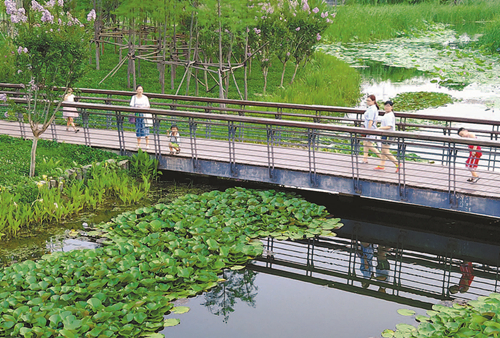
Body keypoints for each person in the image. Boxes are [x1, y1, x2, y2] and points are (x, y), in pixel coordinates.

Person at [375, 101, 400, 173]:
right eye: (385, 106)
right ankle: (382, 165)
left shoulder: (389, 115)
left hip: (388, 134)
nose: (386, 107)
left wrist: (379, 128)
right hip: (385, 134)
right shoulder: (387, 114)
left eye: (388, 106)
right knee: (383, 150)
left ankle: (397, 163)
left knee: (385, 151)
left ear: (391, 107)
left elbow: (389, 126)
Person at [361, 94, 382, 164]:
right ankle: (365, 158)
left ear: (373, 101)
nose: (368, 102)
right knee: (365, 143)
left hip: (370, 128)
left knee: (369, 144)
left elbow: (371, 120)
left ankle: (382, 157)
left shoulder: (372, 109)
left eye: (369, 101)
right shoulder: (371, 108)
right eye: (367, 100)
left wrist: (368, 131)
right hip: (368, 127)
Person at [130, 85, 152, 149]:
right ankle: (139, 144)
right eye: (139, 89)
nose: (140, 91)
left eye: (141, 89)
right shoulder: (134, 97)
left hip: (144, 114)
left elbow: (148, 106)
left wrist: (142, 108)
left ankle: (147, 145)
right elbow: (131, 106)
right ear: (136, 90)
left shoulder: (145, 98)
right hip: (137, 114)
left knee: (146, 129)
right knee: (138, 129)